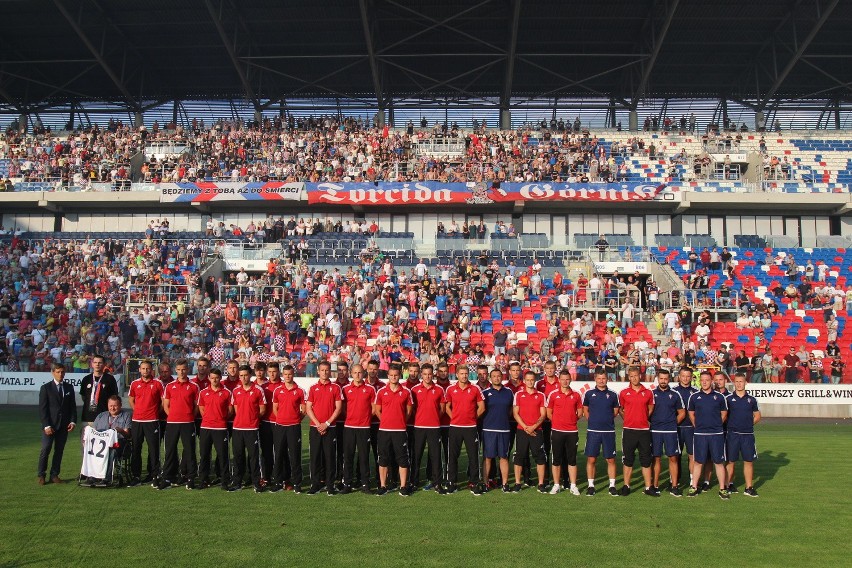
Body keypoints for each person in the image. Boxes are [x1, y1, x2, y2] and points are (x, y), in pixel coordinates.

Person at [686, 371, 730, 499]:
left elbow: (724, 413)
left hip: (716, 434)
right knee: (698, 461)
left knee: (718, 462)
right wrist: (698, 426)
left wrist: (716, 425)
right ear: (700, 381)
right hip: (700, 434)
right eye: (702, 380)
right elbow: (691, 414)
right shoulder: (694, 397)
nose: (704, 382)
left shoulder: (719, 397)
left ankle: (723, 489)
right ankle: (694, 487)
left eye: (707, 380)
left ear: (712, 381)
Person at [373, 364, 413, 496]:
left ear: (400, 375)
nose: (394, 377)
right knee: (383, 458)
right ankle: (383, 485)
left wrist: (399, 420)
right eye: (391, 375)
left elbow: (408, 411)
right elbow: (377, 410)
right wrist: (385, 420)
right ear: (388, 376)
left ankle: (402, 486)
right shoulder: (381, 392)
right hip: (384, 430)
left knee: (402, 458)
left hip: (400, 431)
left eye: (396, 375)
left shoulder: (406, 392)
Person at [444, 365, 485, 495]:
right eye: (461, 373)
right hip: (455, 427)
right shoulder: (451, 389)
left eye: (466, 373)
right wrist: (454, 418)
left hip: (471, 428)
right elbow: (447, 407)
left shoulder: (475, 388)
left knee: (473, 456)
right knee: (453, 456)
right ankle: (452, 482)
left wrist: (472, 418)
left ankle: (474, 483)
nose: (464, 376)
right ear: (457, 375)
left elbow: (482, 407)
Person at [158, 359, 199, 490]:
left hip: (188, 423)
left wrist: (189, 416)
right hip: (172, 423)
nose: (181, 372)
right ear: (176, 370)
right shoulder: (170, 386)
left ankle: (191, 478)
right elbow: (166, 405)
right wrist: (172, 416)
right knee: (170, 451)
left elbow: (197, 405)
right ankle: (167, 478)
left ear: (188, 370)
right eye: (179, 370)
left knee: (190, 450)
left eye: (184, 369)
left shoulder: (193, 386)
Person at [305, 361, 343, 495]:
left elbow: (338, 408)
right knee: (315, 457)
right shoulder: (313, 388)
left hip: (330, 427)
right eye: (322, 370)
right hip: (315, 428)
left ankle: (330, 485)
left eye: (327, 370)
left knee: (330, 457)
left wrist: (326, 423)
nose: (325, 373)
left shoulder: (336, 388)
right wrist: (317, 423)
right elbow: (308, 408)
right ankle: (315, 484)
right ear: (318, 371)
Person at [618, 366, 656, 496]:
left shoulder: (648, 392)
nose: (634, 378)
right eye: (631, 376)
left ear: (640, 376)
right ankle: (626, 486)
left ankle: (648, 487)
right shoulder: (623, 392)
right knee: (628, 459)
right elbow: (620, 409)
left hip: (644, 430)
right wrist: (628, 418)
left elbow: (650, 408)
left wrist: (644, 418)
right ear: (629, 377)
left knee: (646, 460)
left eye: (636, 375)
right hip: (629, 430)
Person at [410, 363, 447, 493]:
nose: (427, 376)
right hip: (419, 427)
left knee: (435, 456)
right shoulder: (414, 390)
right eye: (425, 374)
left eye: (429, 374)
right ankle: (414, 482)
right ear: (421, 374)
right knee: (416, 455)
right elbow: (412, 408)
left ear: (433, 374)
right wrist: (420, 417)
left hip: (434, 427)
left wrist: (434, 417)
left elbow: (442, 409)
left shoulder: (439, 390)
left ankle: (437, 483)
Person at [37, 363, 77, 485]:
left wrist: (73, 421)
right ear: (53, 372)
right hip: (50, 426)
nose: (61, 374)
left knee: (59, 451)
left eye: (62, 372)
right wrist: (46, 425)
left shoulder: (69, 387)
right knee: (45, 449)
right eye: (58, 372)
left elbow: (72, 407)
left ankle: (54, 474)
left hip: (64, 426)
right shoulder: (46, 388)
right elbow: (43, 409)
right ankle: (41, 475)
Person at [546, 369, 583, 495]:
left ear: (570, 380)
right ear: (559, 380)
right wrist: (558, 422)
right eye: (563, 379)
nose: (565, 381)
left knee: (572, 459)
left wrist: (571, 421)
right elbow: (549, 413)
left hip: (572, 432)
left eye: (567, 379)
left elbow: (580, 413)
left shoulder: (577, 395)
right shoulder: (553, 394)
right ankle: (556, 485)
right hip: (557, 431)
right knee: (556, 459)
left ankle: (573, 485)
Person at [229, 364, 266, 493]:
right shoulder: (236, 391)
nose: (244, 378)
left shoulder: (258, 390)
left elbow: (262, 410)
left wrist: (252, 418)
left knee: (254, 457)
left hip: (252, 429)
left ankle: (257, 483)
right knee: (238, 457)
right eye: (241, 375)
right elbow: (236, 409)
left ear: (250, 375)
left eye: (246, 375)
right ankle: (237, 482)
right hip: (238, 428)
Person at [583, 369, 620, 496]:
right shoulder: (589, 394)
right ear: (595, 378)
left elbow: (615, 412)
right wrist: (593, 421)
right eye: (599, 378)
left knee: (610, 459)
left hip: (608, 431)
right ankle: (591, 486)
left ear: (607, 379)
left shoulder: (613, 394)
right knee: (591, 459)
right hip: (593, 431)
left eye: (603, 378)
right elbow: (585, 410)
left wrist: (606, 420)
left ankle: (612, 485)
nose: (601, 380)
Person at [650, 369, 686, 496]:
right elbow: (647, 412)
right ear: (657, 379)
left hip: (671, 431)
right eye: (661, 379)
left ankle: (674, 486)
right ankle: (655, 486)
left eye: (666, 379)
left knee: (673, 458)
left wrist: (672, 423)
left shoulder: (675, 394)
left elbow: (682, 412)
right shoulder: (651, 394)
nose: (663, 381)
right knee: (656, 458)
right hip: (655, 430)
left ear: (669, 379)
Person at [128, 359, 164, 486]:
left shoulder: (158, 384)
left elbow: (162, 402)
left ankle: (154, 475)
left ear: (151, 369)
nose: (145, 371)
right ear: (139, 370)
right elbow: (131, 400)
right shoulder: (134, 383)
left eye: (147, 368)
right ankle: (136, 476)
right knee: (136, 449)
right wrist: (137, 410)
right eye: (143, 368)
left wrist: (154, 412)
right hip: (137, 421)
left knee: (153, 449)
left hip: (152, 421)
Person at [725, 373, 761, 497]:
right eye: (737, 381)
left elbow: (757, 416)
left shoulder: (752, 399)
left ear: (746, 383)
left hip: (747, 435)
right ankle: (728, 485)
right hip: (732, 434)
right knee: (731, 461)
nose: (739, 384)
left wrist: (748, 425)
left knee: (748, 461)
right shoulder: (728, 399)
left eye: (741, 381)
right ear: (734, 383)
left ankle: (748, 487)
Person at [340, 364, 375, 493]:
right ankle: (347, 484)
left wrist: (365, 418)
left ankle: (365, 484)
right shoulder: (345, 389)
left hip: (364, 427)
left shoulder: (370, 389)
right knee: (348, 456)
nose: (357, 375)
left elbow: (373, 409)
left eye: (360, 372)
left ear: (363, 373)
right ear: (351, 373)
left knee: (364, 456)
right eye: (355, 373)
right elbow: (342, 408)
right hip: (349, 427)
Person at [512, 370, 548, 493]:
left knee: (540, 457)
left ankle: (541, 483)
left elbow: (543, 415)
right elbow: (515, 413)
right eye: (527, 380)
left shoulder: (541, 395)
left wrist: (533, 427)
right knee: (519, 456)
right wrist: (526, 427)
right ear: (524, 381)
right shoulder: (518, 394)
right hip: (522, 430)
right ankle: (517, 483)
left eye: (532, 379)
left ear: (535, 380)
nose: (530, 382)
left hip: (537, 430)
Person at [197, 368, 232, 491]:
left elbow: (230, 410)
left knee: (222, 455)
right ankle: (203, 480)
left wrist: (220, 418)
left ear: (220, 378)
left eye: (216, 377)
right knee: (204, 455)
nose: (214, 380)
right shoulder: (203, 392)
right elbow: (201, 408)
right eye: (212, 377)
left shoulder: (227, 393)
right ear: (209, 378)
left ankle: (224, 481)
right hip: (206, 427)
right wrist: (208, 418)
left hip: (220, 428)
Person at [481, 368, 514, 493]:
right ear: (490, 378)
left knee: (503, 457)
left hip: (504, 429)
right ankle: (485, 483)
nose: (496, 378)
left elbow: (511, 408)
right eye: (494, 376)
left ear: (502, 377)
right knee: (488, 457)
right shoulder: (485, 393)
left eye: (498, 376)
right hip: (488, 429)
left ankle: (505, 484)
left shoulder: (509, 392)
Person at [672, 367, 698, 488]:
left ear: (691, 377)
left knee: (692, 455)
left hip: (691, 428)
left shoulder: (696, 392)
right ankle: (674, 480)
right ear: (679, 376)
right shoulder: (673, 391)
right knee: (675, 455)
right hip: (676, 428)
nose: (685, 378)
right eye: (683, 376)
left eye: (688, 376)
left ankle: (693, 480)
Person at [79, 353, 119, 424]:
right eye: (95, 362)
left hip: (105, 416)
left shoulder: (110, 379)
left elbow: (114, 397)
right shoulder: (86, 379)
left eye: (100, 363)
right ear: (92, 364)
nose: (97, 364)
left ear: (104, 364)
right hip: (88, 416)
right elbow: (83, 396)